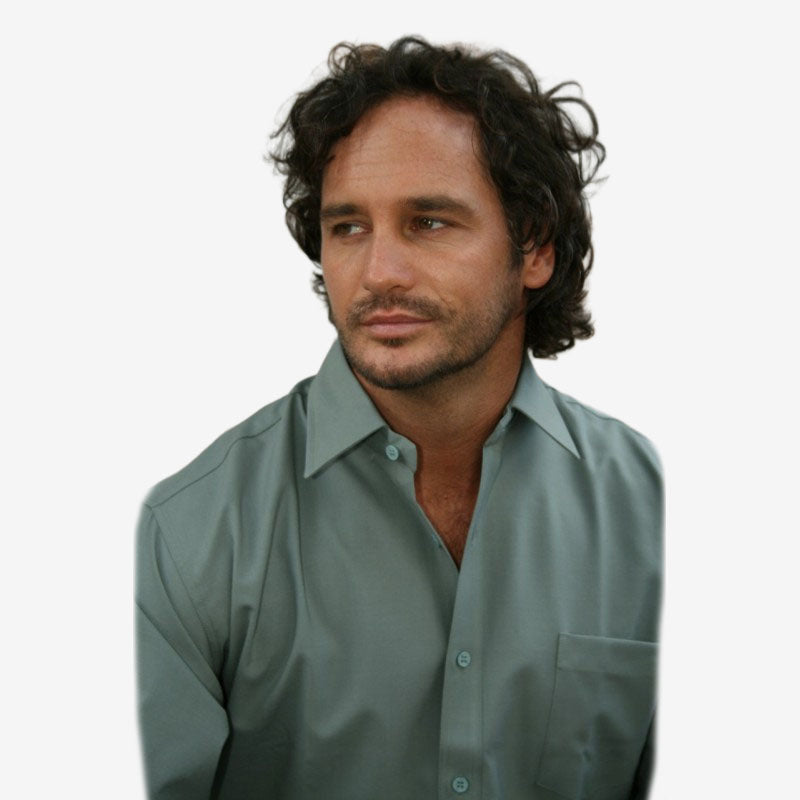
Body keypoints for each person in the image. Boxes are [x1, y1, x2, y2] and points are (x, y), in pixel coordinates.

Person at [136, 36, 662, 800]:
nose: (378, 272)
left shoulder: (657, 514)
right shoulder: (190, 536)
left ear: (536, 248)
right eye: (348, 227)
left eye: (429, 222)